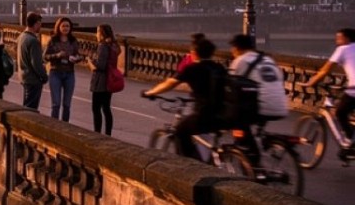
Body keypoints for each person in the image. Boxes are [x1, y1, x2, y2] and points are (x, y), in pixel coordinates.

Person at [142, 35, 229, 161]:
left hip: (204, 115)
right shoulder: (219, 67)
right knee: (204, 137)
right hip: (223, 115)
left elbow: (169, 83)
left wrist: (150, 92)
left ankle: (191, 165)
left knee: (180, 132)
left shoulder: (192, 68)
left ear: (194, 53)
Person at [228, 33, 289, 165]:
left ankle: (252, 165)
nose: (231, 52)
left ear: (237, 48)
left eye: (232, 48)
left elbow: (228, 86)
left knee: (238, 124)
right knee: (255, 129)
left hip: (261, 107)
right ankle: (262, 144)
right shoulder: (268, 59)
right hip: (281, 106)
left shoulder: (240, 61)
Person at [303, 27, 355, 153]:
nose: (337, 41)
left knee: (340, 113)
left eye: (339, 38)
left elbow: (326, 69)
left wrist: (312, 82)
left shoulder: (342, 49)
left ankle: (349, 142)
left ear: (347, 39)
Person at [43, 16, 81, 122]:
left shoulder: (73, 41)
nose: (66, 28)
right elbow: (45, 56)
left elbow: (79, 55)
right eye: (63, 26)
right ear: (58, 27)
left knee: (67, 104)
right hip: (55, 72)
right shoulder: (53, 40)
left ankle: (65, 126)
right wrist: (57, 55)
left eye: (68, 26)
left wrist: (77, 58)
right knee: (56, 104)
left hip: (69, 73)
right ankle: (54, 126)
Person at [88, 24, 120, 135]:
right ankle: (108, 133)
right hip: (110, 80)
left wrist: (90, 62)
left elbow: (100, 66)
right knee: (106, 108)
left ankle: (97, 132)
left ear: (102, 34)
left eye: (97, 32)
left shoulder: (103, 46)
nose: (96, 34)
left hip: (100, 81)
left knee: (96, 108)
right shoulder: (113, 46)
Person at [18, 12, 47, 111]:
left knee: (26, 105)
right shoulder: (33, 41)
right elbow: (36, 63)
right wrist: (44, 76)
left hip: (24, 76)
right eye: (40, 24)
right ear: (36, 24)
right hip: (33, 79)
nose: (40, 26)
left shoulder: (22, 36)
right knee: (30, 109)